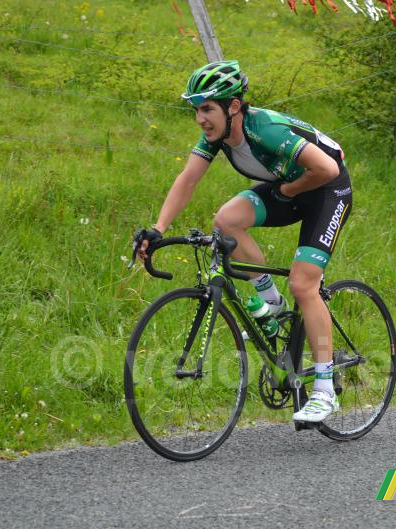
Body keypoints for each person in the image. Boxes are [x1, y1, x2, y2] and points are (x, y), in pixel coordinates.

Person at [137, 60, 352, 422]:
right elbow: (187, 180)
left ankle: (325, 391)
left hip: (327, 189)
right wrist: (157, 229)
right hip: (291, 187)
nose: (200, 119)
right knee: (226, 221)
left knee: (304, 283)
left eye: (207, 109)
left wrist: (287, 190)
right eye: (197, 110)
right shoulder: (216, 137)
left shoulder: (264, 130)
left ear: (233, 107)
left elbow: (328, 169)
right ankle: (273, 304)